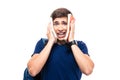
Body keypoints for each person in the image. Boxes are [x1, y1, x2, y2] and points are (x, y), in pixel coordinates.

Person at [26, 7, 94, 80]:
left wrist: (71, 41)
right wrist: (51, 41)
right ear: (51, 26)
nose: (60, 28)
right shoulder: (42, 44)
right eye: (56, 24)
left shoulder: (80, 45)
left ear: (71, 25)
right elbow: (33, 71)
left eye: (64, 23)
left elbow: (88, 70)